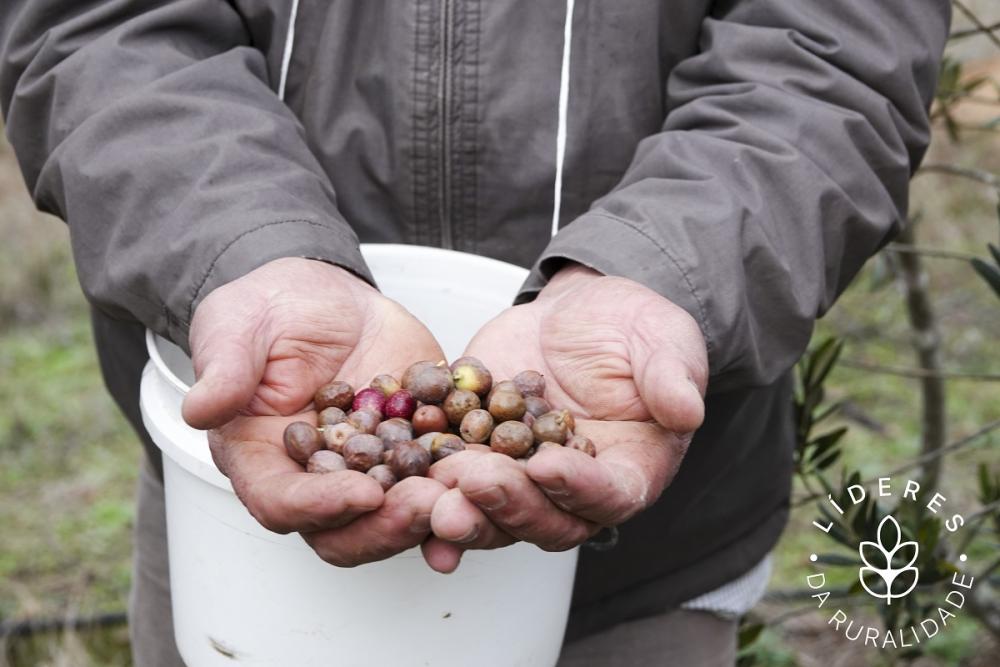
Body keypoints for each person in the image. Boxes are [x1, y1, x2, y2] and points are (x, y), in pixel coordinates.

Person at [0, 1, 949, 665]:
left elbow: (831, 51)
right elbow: (98, 26)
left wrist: (665, 271)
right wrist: (238, 248)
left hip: (646, 558)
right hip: (239, 544)